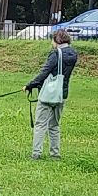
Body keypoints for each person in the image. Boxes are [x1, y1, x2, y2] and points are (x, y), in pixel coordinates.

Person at [24, 28, 78, 159]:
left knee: (40, 124)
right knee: (54, 125)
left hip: (49, 94)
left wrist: (30, 84)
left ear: (56, 40)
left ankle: (36, 153)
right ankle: (55, 154)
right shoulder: (73, 54)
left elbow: (45, 72)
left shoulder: (55, 54)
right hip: (61, 94)